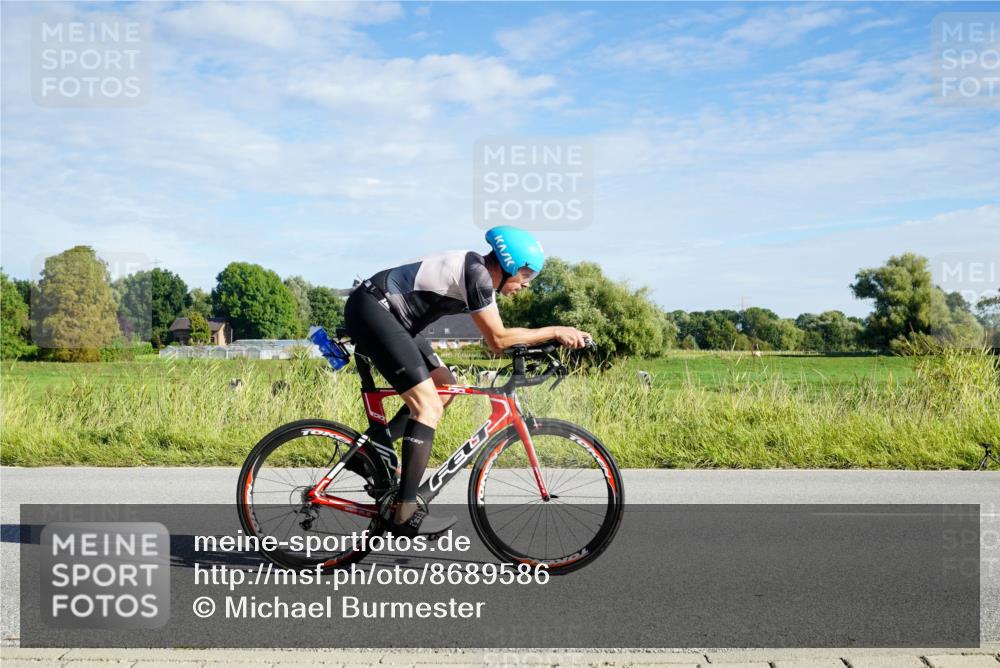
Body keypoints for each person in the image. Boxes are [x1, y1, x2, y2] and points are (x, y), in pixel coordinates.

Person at [343, 225, 592, 536]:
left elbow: (500, 336)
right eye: (526, 275)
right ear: (510, 264)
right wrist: (555, 331)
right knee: (427, 407)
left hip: (390, 316)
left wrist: (545, 343)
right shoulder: (478, 275)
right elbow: (498, 340)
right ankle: (404, 512)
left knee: (444, 385)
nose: (526, 285)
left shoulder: (477, 272)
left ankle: (368, 454)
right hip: (375, 310)